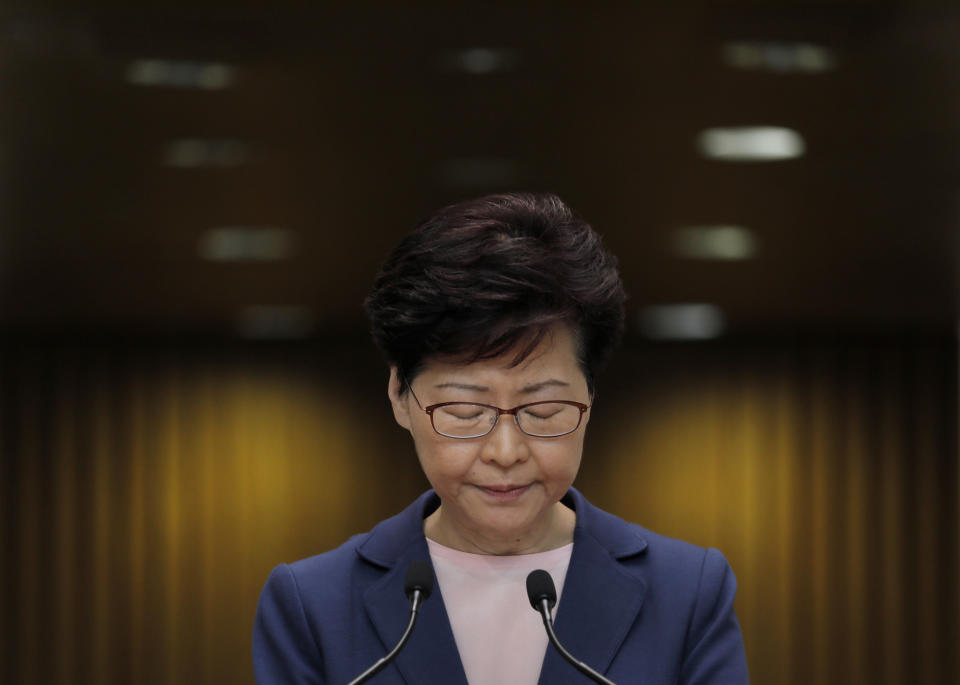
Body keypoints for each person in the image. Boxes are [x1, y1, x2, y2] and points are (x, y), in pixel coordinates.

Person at [252, 192, 749, 684]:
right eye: (465, 411)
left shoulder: (686, 593)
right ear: (400, 397)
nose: (505, 452)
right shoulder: (312, 604)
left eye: (543, 409)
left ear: (591, 395)